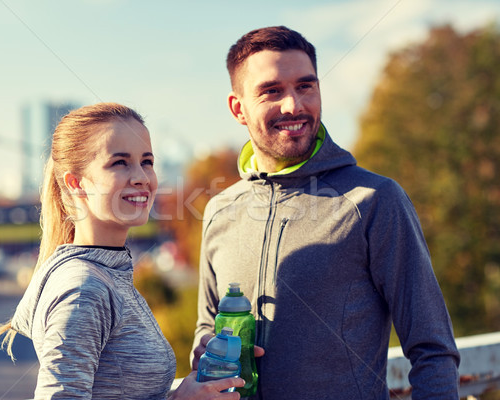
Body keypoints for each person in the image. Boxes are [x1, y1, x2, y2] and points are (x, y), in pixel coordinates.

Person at [191, 26, 460, 399]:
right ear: (238, 108)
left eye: (305, 86)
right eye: (272, 91)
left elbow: (433, 349)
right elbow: (206, 325)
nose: (294, 106)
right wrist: (206, 350)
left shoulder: (375, 200)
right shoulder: (220, 210)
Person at [0, 102, 244, 400]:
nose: (141, 177)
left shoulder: (109, 273)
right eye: (120, 163)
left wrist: (189, 387)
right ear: (76, 184)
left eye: (147, 161)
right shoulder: (84, 288)